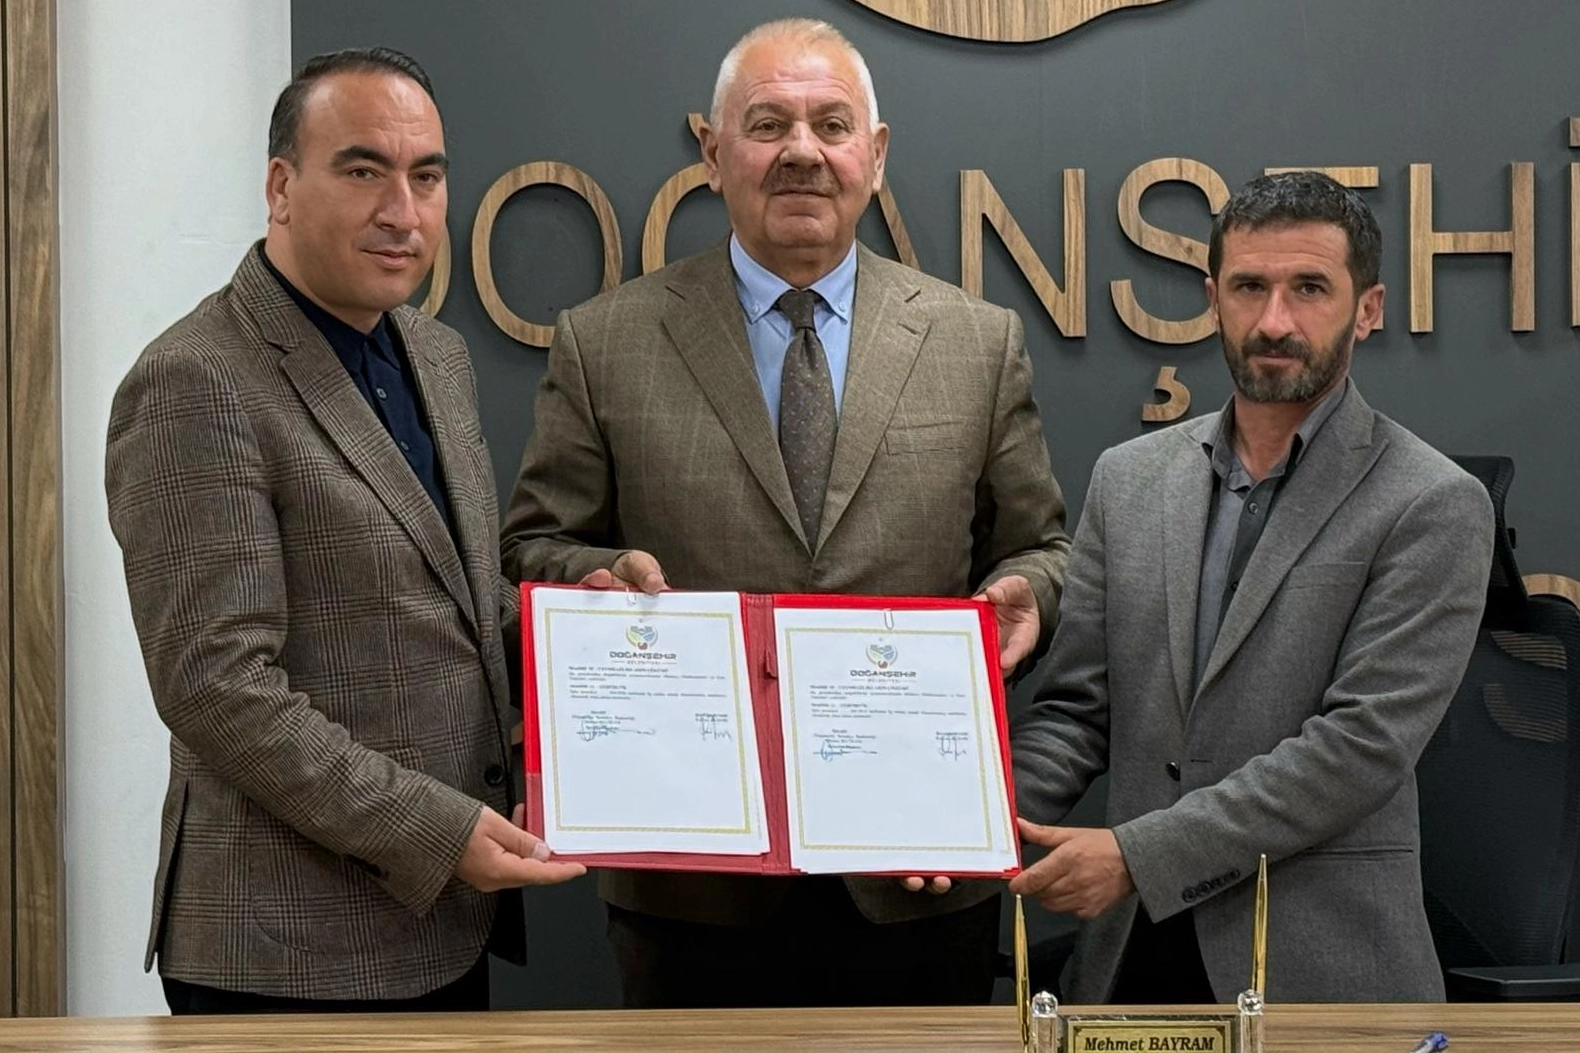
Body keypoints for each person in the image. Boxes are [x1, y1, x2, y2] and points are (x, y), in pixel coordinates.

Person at [500, 18, 1069, 1008]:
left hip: (914, 872)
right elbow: (533, 548)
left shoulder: (977, 342)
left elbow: (1041, 547)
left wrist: (1030, 591)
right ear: (712, 151)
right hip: (692, 884)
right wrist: (591, 585)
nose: (802, 151)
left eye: (831, 125)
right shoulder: (606, 342)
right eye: (767, 125)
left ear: (874, 156)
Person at [105, 47, 583, 1015]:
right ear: (281, 187)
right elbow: (216, 686)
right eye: (364, 170)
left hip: (444, 925)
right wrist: (435, 831)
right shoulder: (196, 379)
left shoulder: (434, 353)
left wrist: (579, 629)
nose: (402, 211)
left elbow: (451, 598)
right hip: (287, 952)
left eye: (426, 177)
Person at [1009, 171, 1494, 1003]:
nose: (1274, 321)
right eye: (1248, 287)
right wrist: (964, 824)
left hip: (1319, 971)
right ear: (1213, 300)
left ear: (1368, 308)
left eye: (1310, 288)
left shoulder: (1432, 501)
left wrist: (1138, 857)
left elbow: (1358, 749)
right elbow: (1076, 713)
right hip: (1130, 965)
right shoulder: (1128, 479)